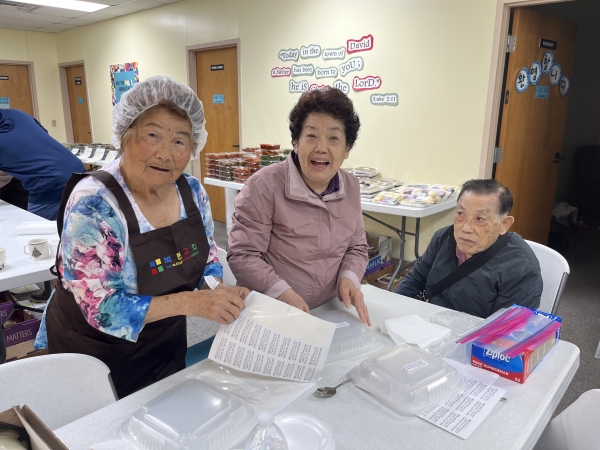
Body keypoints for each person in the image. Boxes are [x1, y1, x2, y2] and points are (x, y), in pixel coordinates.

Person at [45, 76, 248, 398]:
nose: (165, 153)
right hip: (95, 352)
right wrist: (192, 302)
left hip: (163, 340)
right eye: (153, 135)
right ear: (124, 135)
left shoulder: (191, 192)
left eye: (180, 141)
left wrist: (214, 290)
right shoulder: (95, 203)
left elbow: (208, 257)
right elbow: (102, 307)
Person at [228, 88, 370, 325]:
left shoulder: (351, 187)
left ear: (347, 149)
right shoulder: (264, 185)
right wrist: (282, 293)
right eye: (311, 136)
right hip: (271, 310)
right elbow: (243, 254)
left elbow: (357, 247)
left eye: (334, 138)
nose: (321, 147)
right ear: (296, 142)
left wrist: (349, 277)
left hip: (328, 310)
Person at [394, 179, 542, 318]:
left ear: (504, 224)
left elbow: (506, 327)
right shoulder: (443, 238)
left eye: (480, 219)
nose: (465, 228)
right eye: (460, 214)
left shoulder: (522, 267)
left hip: (476, 334)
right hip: (432, 323)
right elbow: (416, 279)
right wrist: (392, 308)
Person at [0, 108, 84, 220]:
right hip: (78, 171)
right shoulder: (16, 114)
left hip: (48, 183)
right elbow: (42, 136)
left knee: (35, 228)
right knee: (78, 223)